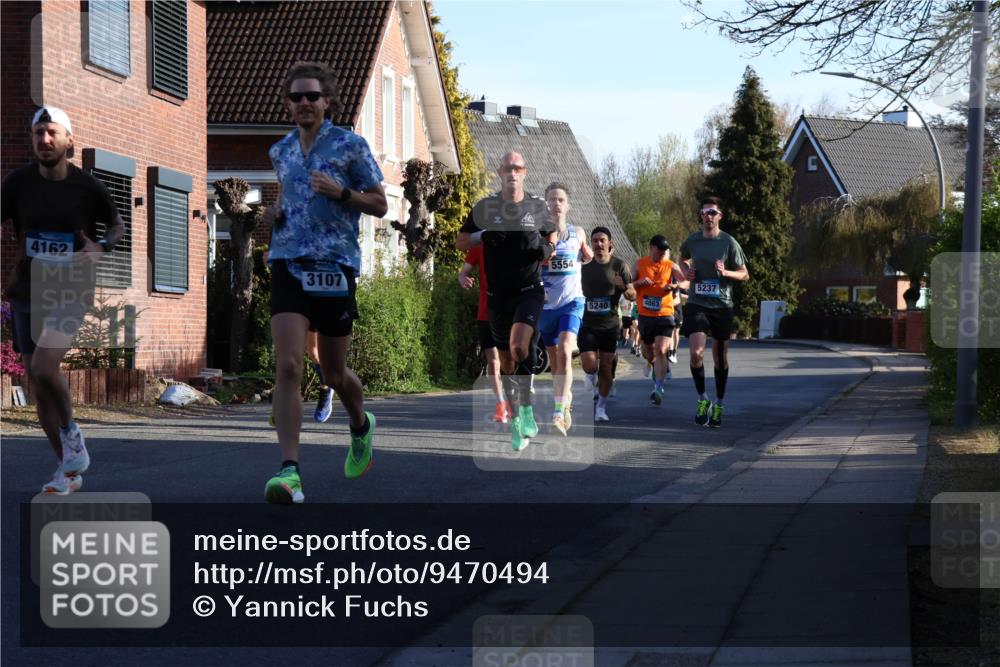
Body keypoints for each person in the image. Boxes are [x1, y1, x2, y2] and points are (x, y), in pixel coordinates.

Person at [261, 62, 387, 503]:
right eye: (295, 98)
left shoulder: (351, 146)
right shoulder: (281, 152)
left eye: (311, 96)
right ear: (288, 104)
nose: (304, 104)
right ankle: (289, 471)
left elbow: (380, 204)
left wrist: (342, 194)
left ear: (327, 100)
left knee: (334, 372)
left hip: (334, 268)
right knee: (290, 366)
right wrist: (273, 215)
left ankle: (360, 422)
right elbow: (286, 195)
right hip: (289, 264)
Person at [2, 107, 124, 494]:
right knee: (37, 383)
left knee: (43, 365)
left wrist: (100, 245)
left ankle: (72, 433)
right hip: (27, 289)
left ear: (69, 140)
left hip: (70, 289)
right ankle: (66, 470)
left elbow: (119, 225)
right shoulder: (17, 183)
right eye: (38, 133)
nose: (44, 140)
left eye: (52, 132)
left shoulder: (87, 187)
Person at [457, 152, 556, 452]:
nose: (512, 173)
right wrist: (483, 236)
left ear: (524, 172)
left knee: (518, 347)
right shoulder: (486, 207)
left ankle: (524, 410)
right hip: (496, 296)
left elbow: (553, 239)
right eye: (506, 168)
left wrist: (543, 248)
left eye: (517, 168)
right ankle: (519, 416)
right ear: (499, 173)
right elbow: (461, 241)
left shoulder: (537, 206)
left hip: (529, 289)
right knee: (507, 363)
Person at [679, 196, 749, 428]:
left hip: (722, 305)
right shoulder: (693, 241)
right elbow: (682, 258)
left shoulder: (729, 242)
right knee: (696, 353)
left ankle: (719, 403)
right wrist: (687, 271)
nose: (708, 216)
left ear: (720, 216)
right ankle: (702, 399)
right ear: (701, 215)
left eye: (713, 213)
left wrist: (726, 273)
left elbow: (744, 274)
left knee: (720, 358)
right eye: (705, 212)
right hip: (698, 303)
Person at [538, 183, 592, 436]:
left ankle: (558, 413)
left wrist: (588, 253)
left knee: (564, 350)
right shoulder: (538, 234)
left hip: (572, 302)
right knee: (555, 362)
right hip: (546, 306)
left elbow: (586, 254)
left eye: (560, 199)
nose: (556, 203)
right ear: (546, 204)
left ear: (567, 205)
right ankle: (564, 399)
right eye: (552, 199)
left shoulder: (578, 232)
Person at [579, 227, 634, 422]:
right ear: (591, 244)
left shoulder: (620, 266)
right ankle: (590, 374)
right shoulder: (584, 267)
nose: (599, 244)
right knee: (589, 364)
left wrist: (622, 286)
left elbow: (632, 294)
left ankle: (601, 408)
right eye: (595, 240)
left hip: (610, 325)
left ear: (610, 243)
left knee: (606, 367)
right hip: (588, 323)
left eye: (602, 240)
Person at [459, 244, 511, 423]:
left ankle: (513, 399)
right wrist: (462, 278)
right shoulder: (481, 245)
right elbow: (463, 271)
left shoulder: (514, 242)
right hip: (486, 312)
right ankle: (501, 403)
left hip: (510, 312)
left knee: (509, 360)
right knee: (493, 361)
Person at [633, 235, 687, 406]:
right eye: (659, 251)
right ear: (651, 248)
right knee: (650, 352)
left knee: (662, 350)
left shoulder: (670, 265)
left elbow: (686, 282)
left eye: (665, 252)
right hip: (645, 315)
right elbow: (628, 285)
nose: (662, 254)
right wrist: (640, 282)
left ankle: (658, 388)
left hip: (665, 313)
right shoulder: (640, 264)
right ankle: (654, 366)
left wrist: (675, 286)